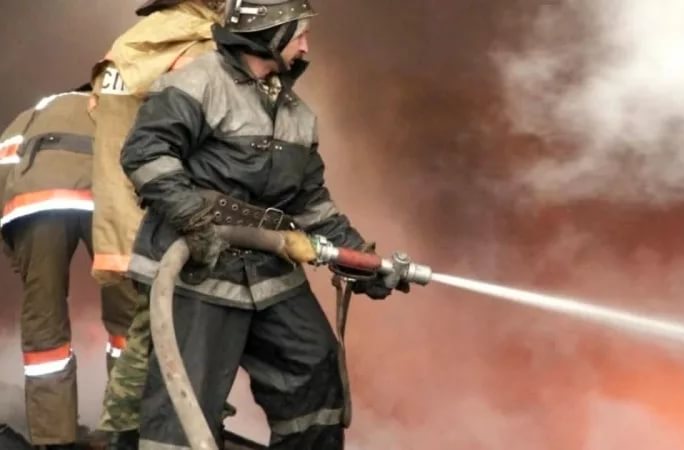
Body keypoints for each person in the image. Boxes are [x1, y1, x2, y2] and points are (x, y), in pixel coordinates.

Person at [120, 1, 405, 448]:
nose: (305, 47)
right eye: (299, 35)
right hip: (198, 267)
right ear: (269, 32)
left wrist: (362, 262)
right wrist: (193, 219)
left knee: (313, 364)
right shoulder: (198, 82)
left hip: (268, 268)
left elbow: (311, 204)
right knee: (186, 401)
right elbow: (145, 153)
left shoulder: (296, 114)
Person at [87, 2, 224, 447]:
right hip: (163, 215)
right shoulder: (197, 45)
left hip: (123, 212)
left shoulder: (130, 44)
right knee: (168, 336)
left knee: (149, 335)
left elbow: (100, 115)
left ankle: (126, 433)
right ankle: (133, 436)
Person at [0, 89, 136, 450]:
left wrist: (14, 248)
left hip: (34, 203)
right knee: (129, 316)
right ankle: (130, 424)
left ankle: (55, 438)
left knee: (43, 321)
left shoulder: (38, 109)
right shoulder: (116, 104)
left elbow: (3, 168)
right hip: (104, 198)